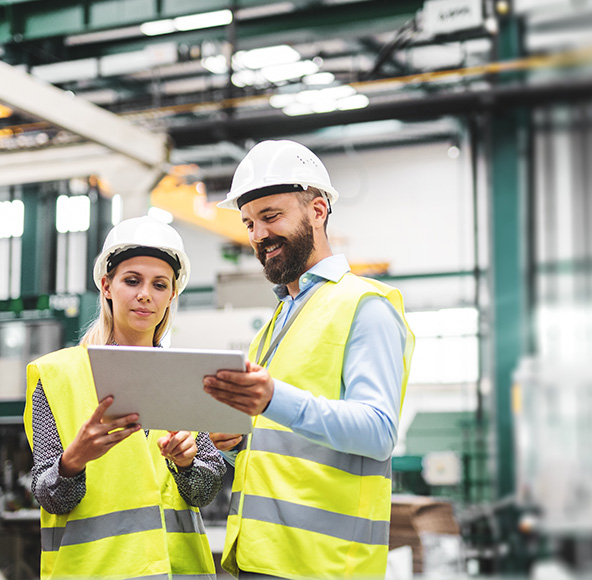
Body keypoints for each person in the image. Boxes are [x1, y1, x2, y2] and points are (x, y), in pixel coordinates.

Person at [204, 140, 415, 580]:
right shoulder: (276, 323)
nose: (258, 235)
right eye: (248, 223)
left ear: (318, 211)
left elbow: (378, 431)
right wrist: (240, 439)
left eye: (271, 216)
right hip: (260, 559)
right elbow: (289, 436)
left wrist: (270, 399)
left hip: (325, 566)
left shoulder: (366, 305)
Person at [23, 216, 225, 579]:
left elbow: (204, 492)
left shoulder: (191, 374)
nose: (145, 294)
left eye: (159, 284)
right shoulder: (58, 376)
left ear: (172, 295)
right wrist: (73, 462)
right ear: (107, 285)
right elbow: (50, 496)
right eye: (132, 281)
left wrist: (186, 466)